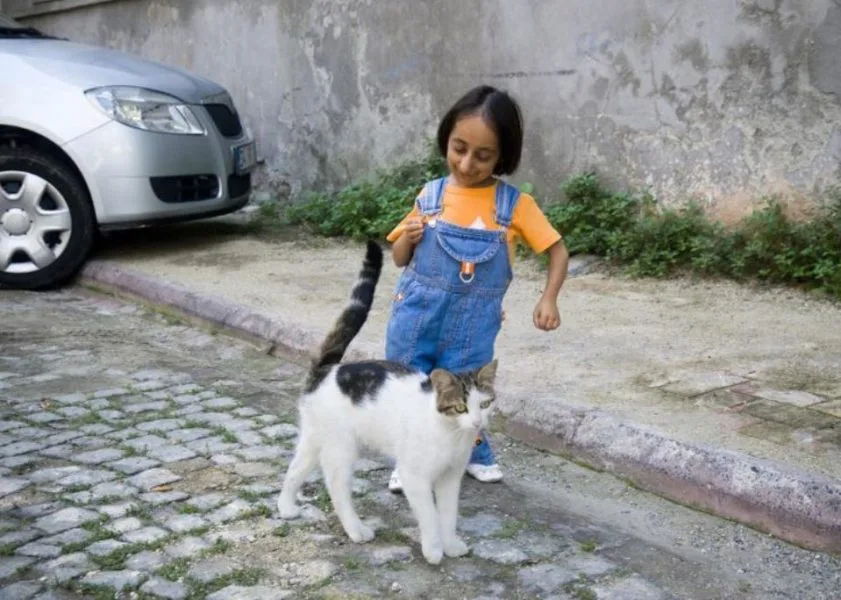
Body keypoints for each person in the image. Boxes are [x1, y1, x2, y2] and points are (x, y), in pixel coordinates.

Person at [384, 85, 569, 492]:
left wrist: (549, 297)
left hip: (474, 320)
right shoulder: (430, 195)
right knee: (410, 381)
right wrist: (408, 237)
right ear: (446, 138)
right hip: (416, 312)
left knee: (469, 386)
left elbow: (557, 251)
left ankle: (471, 451)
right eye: (458, 148)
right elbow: (398, 258)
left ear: (503, 156)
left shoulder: (514, 206)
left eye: (482, 156)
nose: (466, 164)